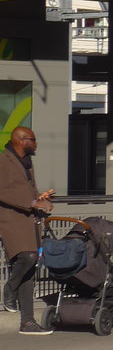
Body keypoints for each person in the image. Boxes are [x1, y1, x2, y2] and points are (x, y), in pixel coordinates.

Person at [0, 126, 55, 335]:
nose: (36, 144)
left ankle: (28, 322)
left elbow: (28, 190)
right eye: (34, 140)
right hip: (10, 219)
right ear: (22, 140)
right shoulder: (3, 160)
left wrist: (42, 199)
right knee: (28, 257)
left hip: (28, 219)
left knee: (30, 270)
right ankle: (10, 288)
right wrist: (31, 202)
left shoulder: (27, 162)